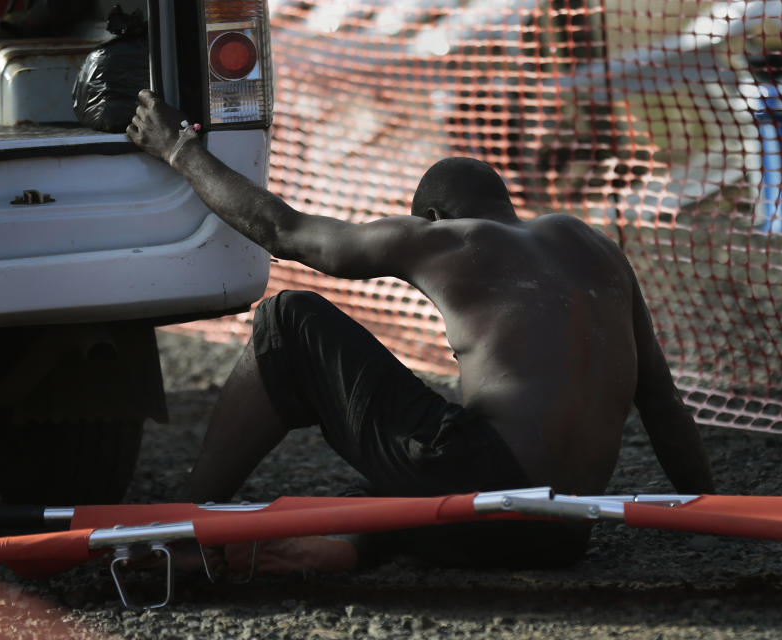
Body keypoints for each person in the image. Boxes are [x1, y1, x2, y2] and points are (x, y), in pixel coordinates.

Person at [127, 90, 715, 572]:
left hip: (488, 488)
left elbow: (281, 230)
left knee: (291, 321)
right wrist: (709, 510)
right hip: (565, 535)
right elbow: (661, 402)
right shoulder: (598, 250)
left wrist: (178, 148)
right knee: (413, 462)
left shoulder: (447, 239)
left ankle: (181, 525)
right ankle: (352, 545)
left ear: (430, 218)